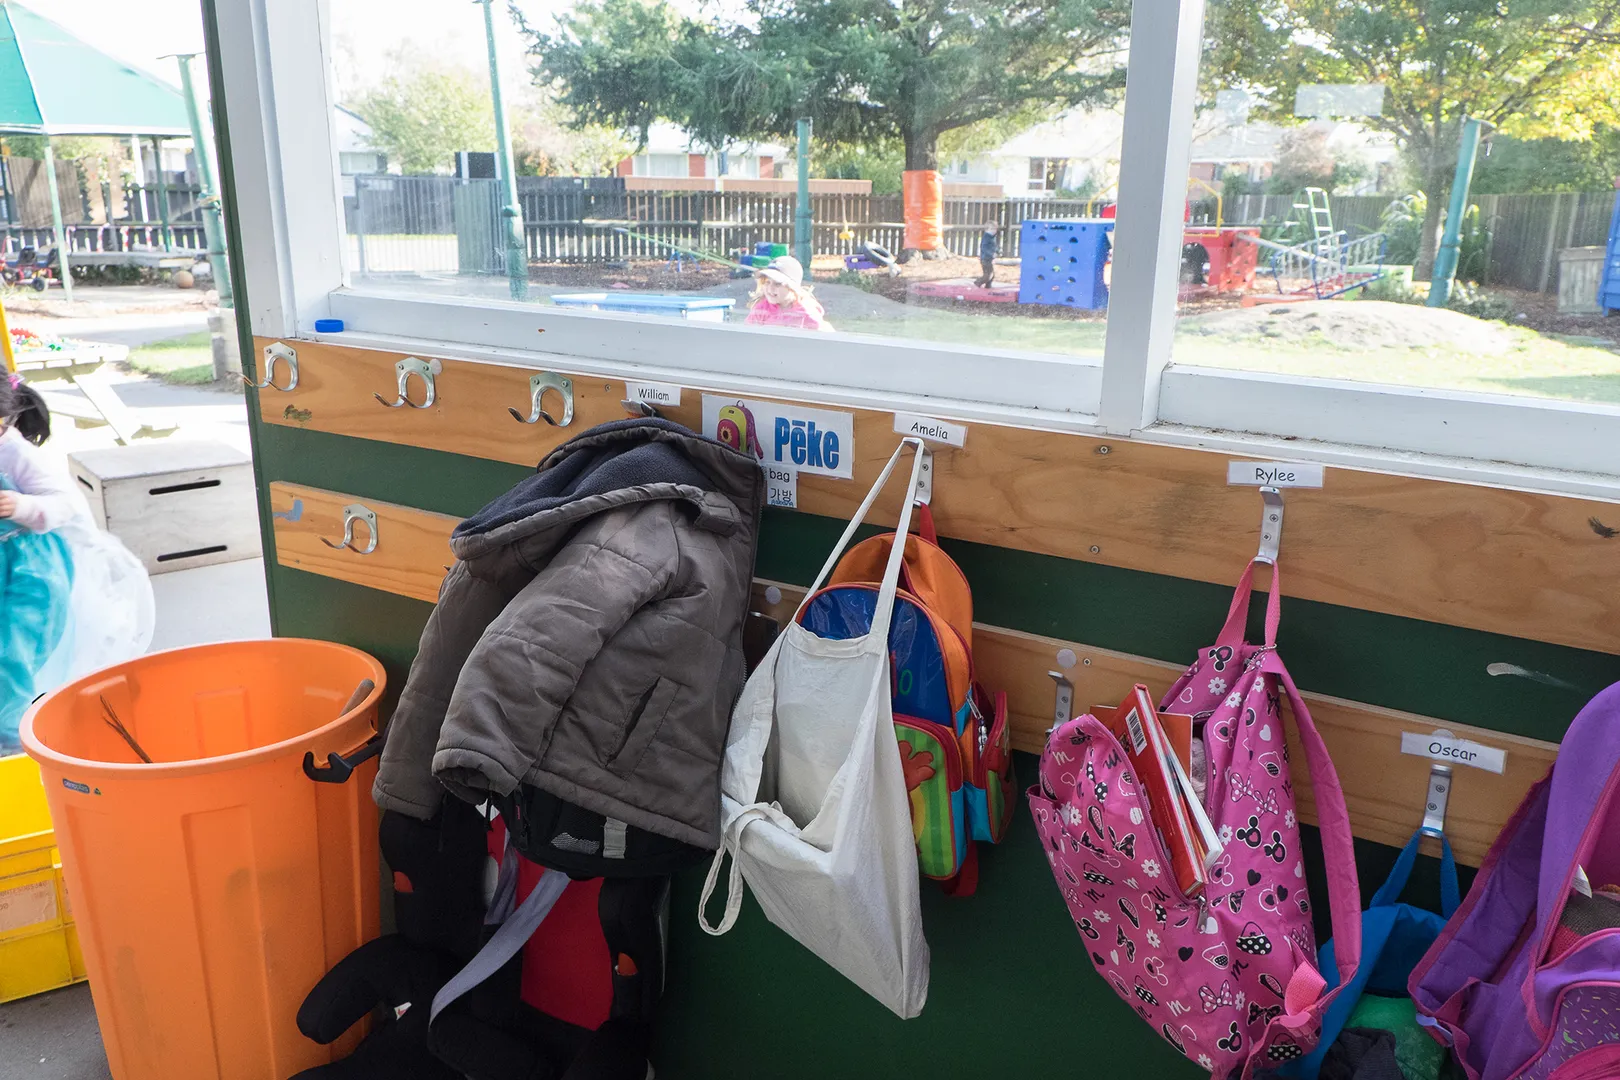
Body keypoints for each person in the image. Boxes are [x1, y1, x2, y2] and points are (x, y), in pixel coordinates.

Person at [0, 373, 152, 751]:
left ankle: (14, 740)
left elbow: (65, 502)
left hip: (30, 569)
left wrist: (23, 506)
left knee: (12, 651)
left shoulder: (15, 452)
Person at [744, 256, 833, 332]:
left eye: (778, 283)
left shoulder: (806, 313)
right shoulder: (762, 309)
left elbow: (826, 340)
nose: (770, 288)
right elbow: (748, 335)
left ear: (792, 287)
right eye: (767, 282)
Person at [977, 223, 999, 288]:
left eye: (995, 229)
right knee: (988, 275)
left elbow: (994, 247)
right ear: (986, 230)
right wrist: (991, 254)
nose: (993, 231)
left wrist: (997, 251)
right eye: (991, 229)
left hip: (989, 259)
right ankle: (978, 282)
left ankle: (988, 286)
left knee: (991, 274)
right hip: (985, 259)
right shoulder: (986, 238)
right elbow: (984, 248)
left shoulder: (992, 237)